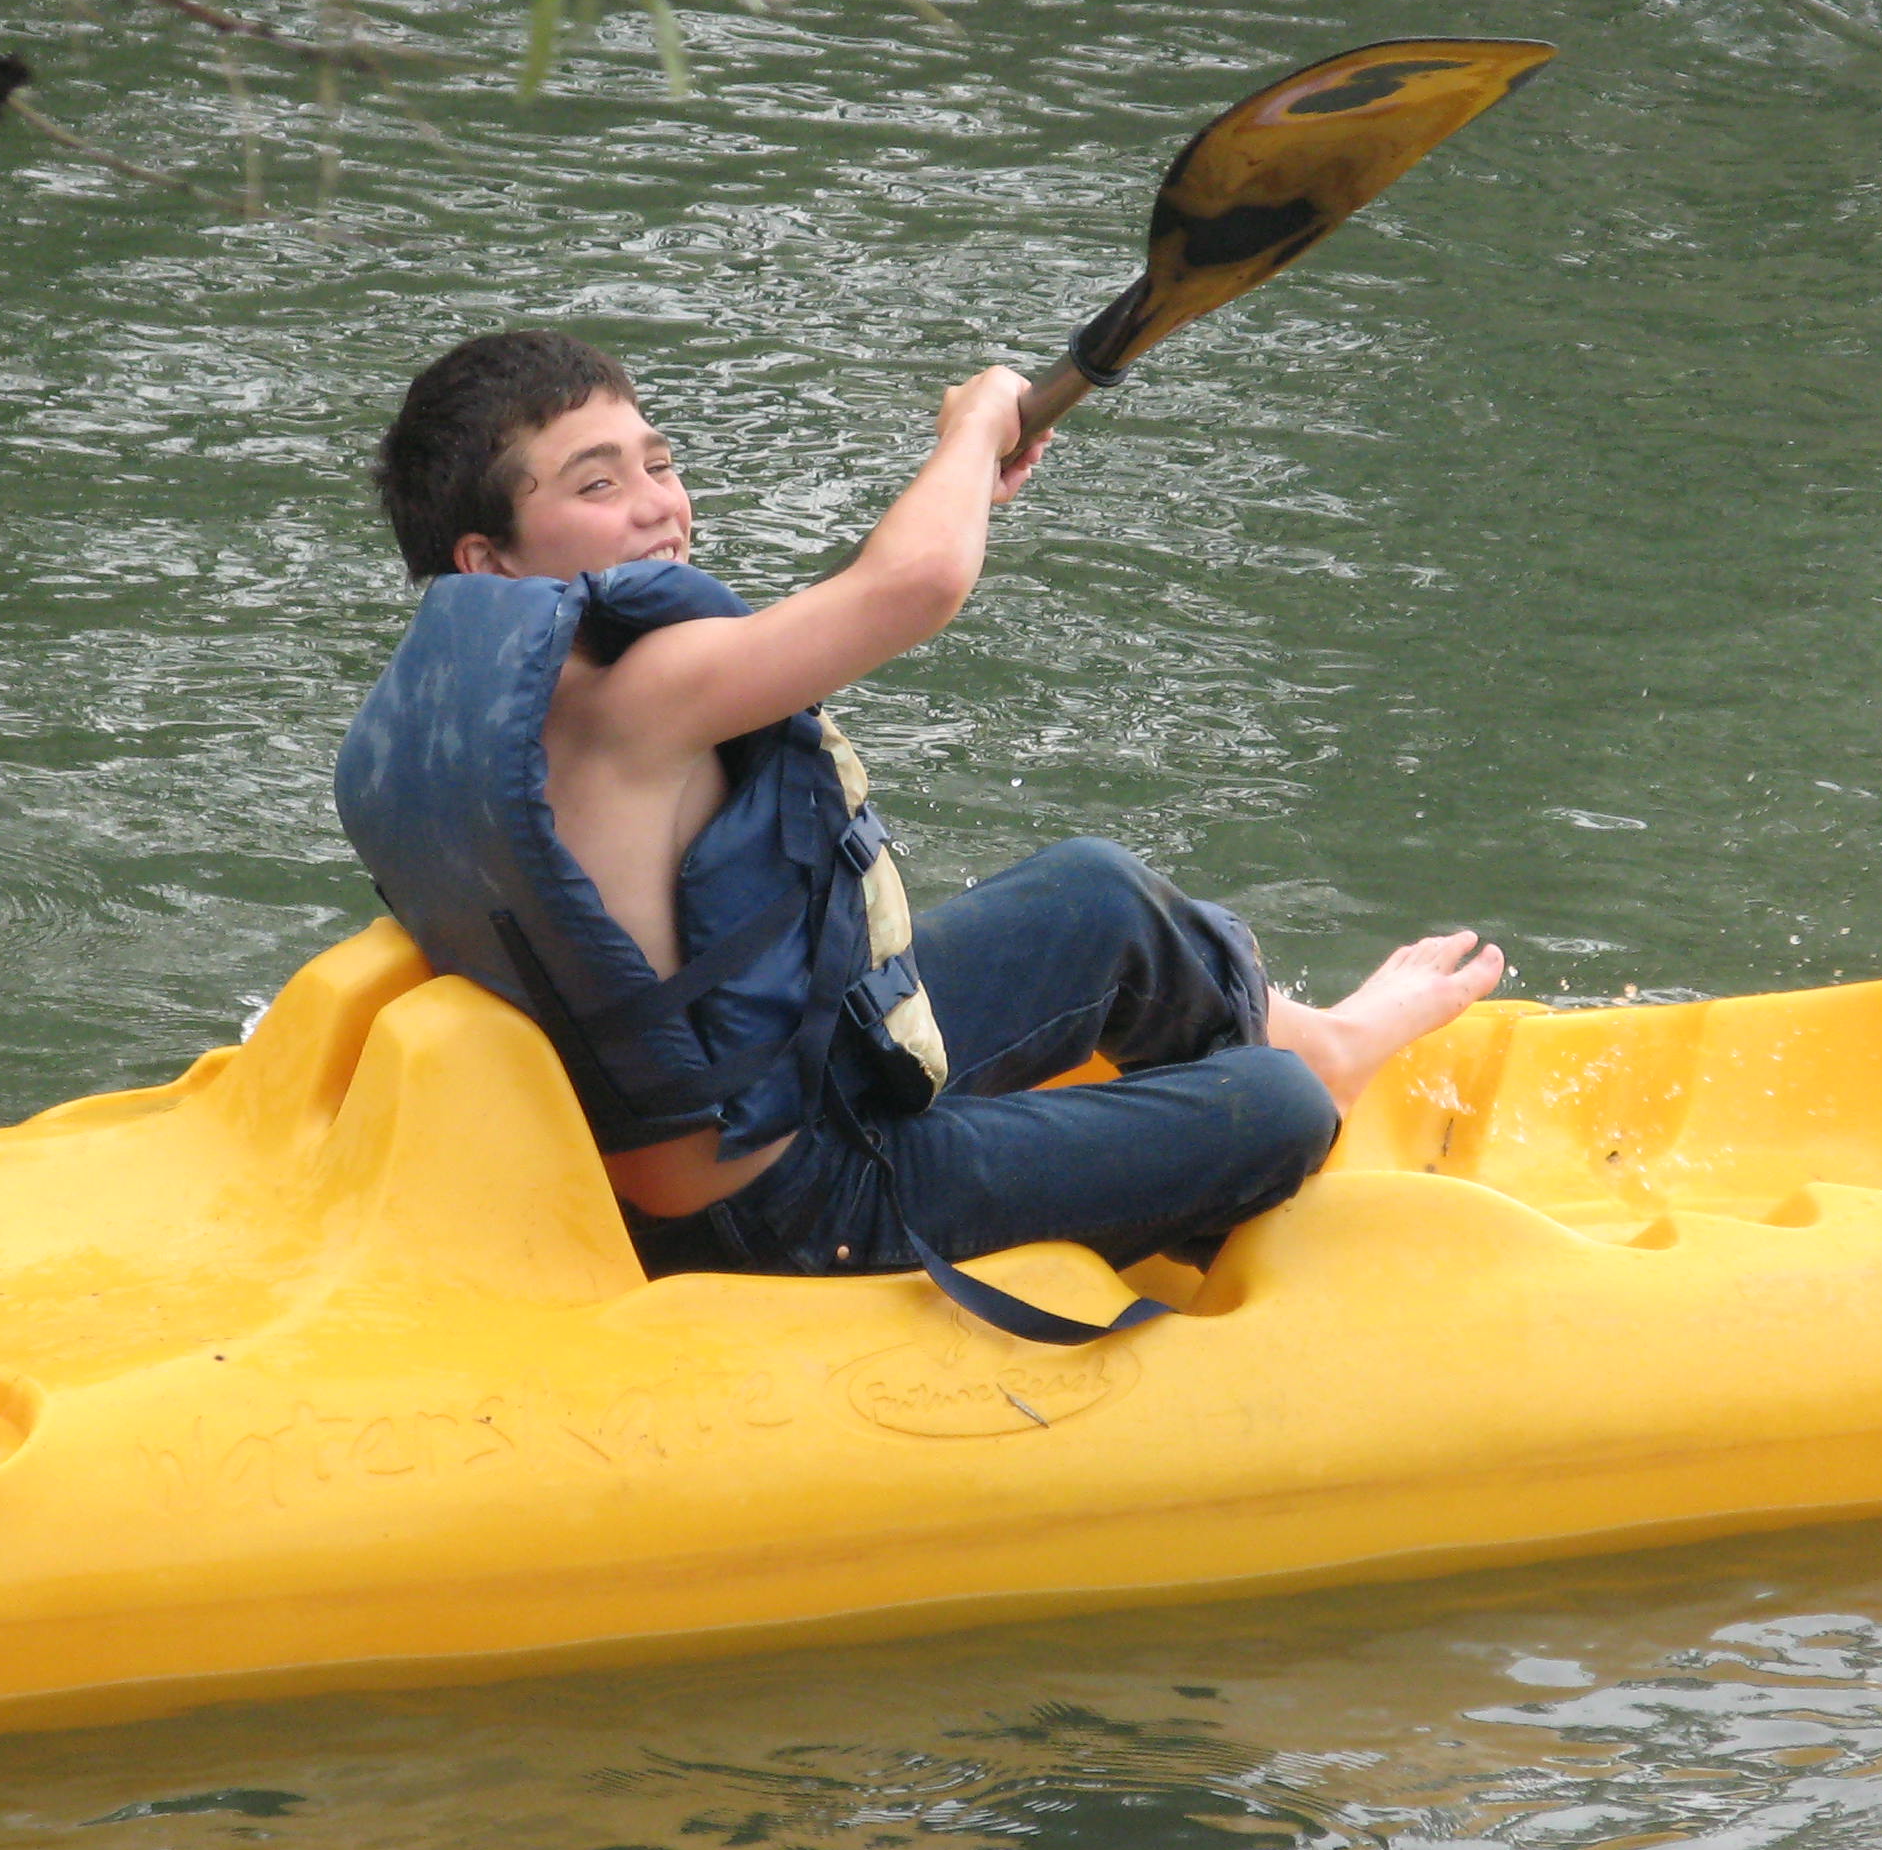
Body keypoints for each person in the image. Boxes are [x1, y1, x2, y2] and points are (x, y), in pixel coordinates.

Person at [335, 328, 1503, 1292]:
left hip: (790, 1086)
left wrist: (963, 488)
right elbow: (916, 583)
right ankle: (1282, 1106)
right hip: (788, 1208)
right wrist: (973, 430)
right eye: (598, 485)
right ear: (489, 563)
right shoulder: (624, 702)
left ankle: (1322, 1045)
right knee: (1272, 1108)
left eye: (660, 462)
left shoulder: (462, 714)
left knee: (1097, 895)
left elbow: (856, 595)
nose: (659, 506)